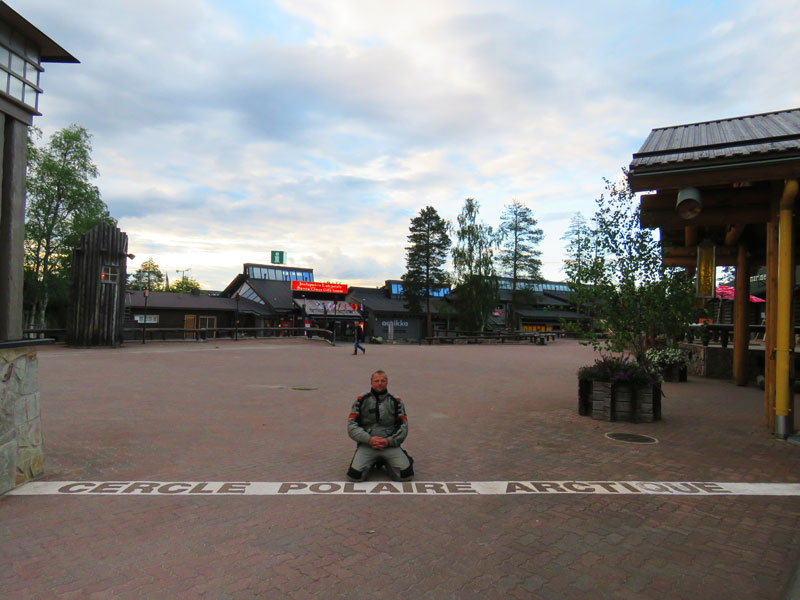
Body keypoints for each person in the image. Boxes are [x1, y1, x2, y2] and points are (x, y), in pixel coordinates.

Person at [346, 370, 413, 482]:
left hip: (389, 444)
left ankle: (390, 462)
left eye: (383, 381)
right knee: (354, 476)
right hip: (368, 444)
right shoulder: (361, 400)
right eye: (376, 381)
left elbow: (403, 427)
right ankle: (370, 462)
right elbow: (352, 427)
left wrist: (388, 441)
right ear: (371, 383)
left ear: (387, 383)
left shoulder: (396, 401)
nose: (380, 383)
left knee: (406, 475)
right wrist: (369, 439)